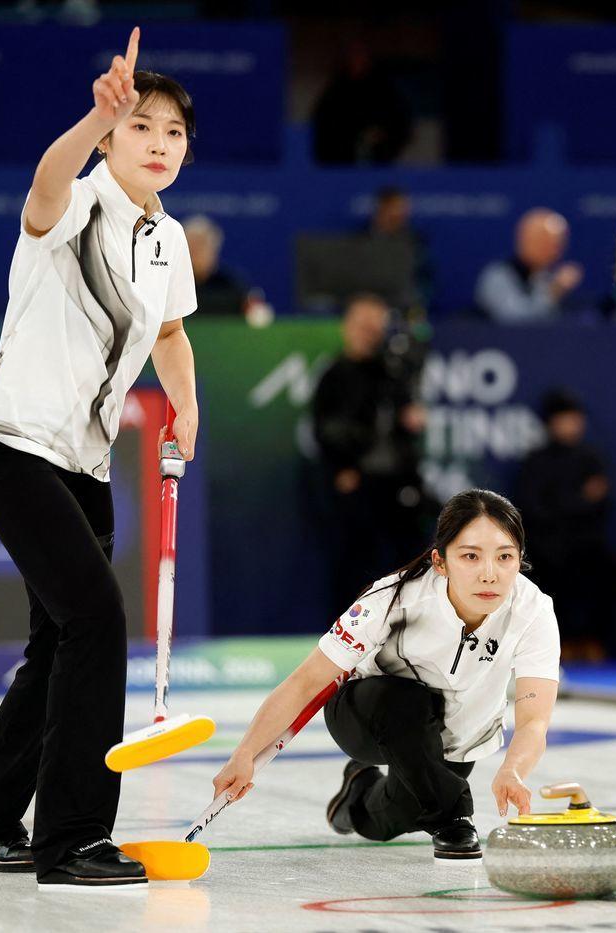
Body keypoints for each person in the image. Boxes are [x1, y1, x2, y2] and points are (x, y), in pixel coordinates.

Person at [0, 28, 201, 888]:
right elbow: (46, 183)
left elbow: (168, 331)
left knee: (59, 640)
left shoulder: (165, 241)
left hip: (85, 463)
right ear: (114, 136)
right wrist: (94, 120)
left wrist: (186, 403)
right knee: (94, 619)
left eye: (172, 133)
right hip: (12, 442)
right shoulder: (78, 203)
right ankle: (72, 837)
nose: (158, 144)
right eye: (142, 127)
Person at [212, 489, 561, 861]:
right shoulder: (393, 599)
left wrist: (514, 770)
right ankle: (455, 816)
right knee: (408, 708)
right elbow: (306, 681)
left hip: (454, 736)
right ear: (440, 562)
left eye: (504, 557)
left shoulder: (533, 611)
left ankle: (358, 792)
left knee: (397, 816)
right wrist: (246, 752)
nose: (489, 574)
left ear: (519, 560)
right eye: (470, 556)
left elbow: (533, 721)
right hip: (368, 713)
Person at [311, 293, 429, 609]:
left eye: (376, 327)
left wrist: (411, 419)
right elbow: (326, 430)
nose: (370, 333)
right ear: (348, 327)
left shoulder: (392, 372)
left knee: (409, 561)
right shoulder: (335, 375)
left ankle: (407, 634)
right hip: (358, 484)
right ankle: (346, 642)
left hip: (398, 484)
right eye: (363, 326)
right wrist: (344, 467)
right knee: (355, 563)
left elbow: (409, 419)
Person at [514, 389, 616, 662]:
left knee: (609, 572)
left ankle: (591, 641)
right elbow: (535, 509)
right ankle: (556, 643)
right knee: (547, 573)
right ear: (551, 423)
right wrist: (579, 500)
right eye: (564, 419)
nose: (571, 426)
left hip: (587, 543)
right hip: (546, 546)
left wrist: (568, 504)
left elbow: (601, 504)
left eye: (575, 419)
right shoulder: (536, 461)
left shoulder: (591, 458)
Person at [474, 208, 583, 324]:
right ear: (523, 240)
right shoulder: (496, 277)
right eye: (543, 241)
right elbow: (513, 319)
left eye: (557, 244)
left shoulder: (549, 277)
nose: (552, 250)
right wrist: (553, 293)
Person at [183, 214, 271, 322]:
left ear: (214, 250)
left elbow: (256, 314)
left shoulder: (232, 285)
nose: (195, 254)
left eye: (201, 246)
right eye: (191, 247)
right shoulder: (169, 286)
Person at [366, 186, 434, 312]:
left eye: (404, 207)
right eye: (397, 207)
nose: (403, 212)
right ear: (382, 207)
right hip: (368, 306)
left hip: (405, 306)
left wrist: (419, 303)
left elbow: (426, 278)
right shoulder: (360, 239)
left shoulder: (415, 241)